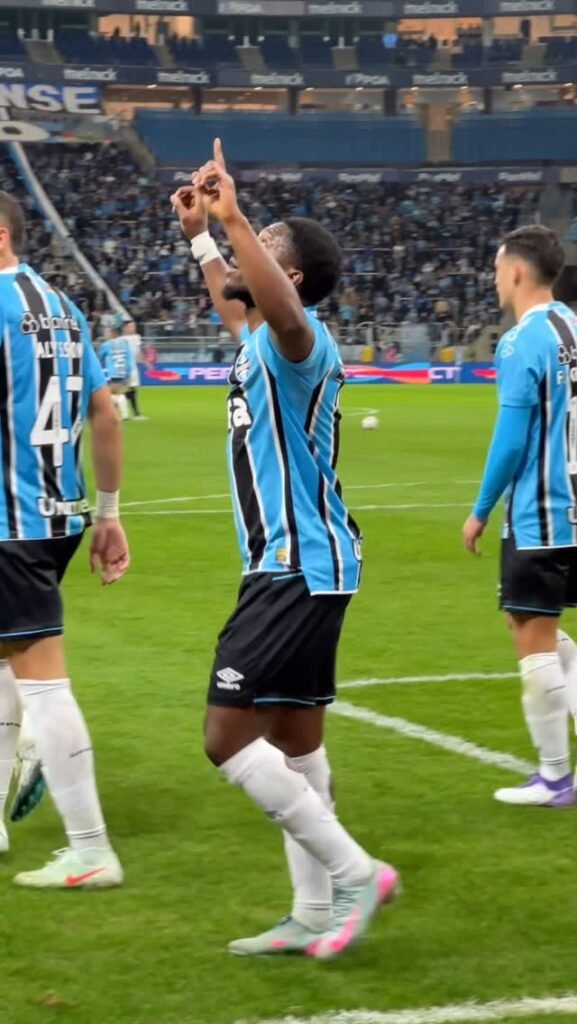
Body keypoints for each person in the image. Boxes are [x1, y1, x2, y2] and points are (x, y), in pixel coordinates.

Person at [172, 141, 399, 961]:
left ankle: (354, 873)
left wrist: (233, 216)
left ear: (290, 277)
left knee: (225, 736)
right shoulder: (260, 339)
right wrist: (203, 236)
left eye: (262, 247)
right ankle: (309, 914)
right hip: (308, 562)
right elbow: (237, 304)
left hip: (295, 565)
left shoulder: (300, 341)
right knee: (295, 742)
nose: (245, 254)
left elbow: (278, 312)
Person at [0, 190, 129, 886]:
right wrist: (107, 513)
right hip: (57, 516)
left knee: (42, 679)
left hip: (10, 522)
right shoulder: (63, 307)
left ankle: (90, 849)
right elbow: (105, 414)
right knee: (9, 663)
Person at [463, 225, 577, 808]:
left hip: (541, 512)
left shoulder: (519, 342)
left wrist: (480, 511)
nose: (494, 280)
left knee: (532, 636)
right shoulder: (575, 328)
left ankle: (555, 777)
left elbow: (509, 442)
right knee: (542, 630)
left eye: (496, 269)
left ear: (515, 272)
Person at [99, 315, 135, 422]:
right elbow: (129, 358)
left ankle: (123, 415)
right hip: (122, 372)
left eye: (108, 331)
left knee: (109, 394)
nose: (107, 333)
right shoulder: (124, 343)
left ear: (113, 332)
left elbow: (100, 357)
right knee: (116, 392)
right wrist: (128, 372)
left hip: (112, 372)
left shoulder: (107, 345)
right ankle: (120, 414)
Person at [124, 319, 148, 421]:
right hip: (126, 366)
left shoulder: (137, 337)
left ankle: (120, 400)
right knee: (132, 388)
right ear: (125, 328)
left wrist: (145, 361)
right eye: (130, 326)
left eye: (133, 326)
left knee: (134, 388)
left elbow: (139, 351)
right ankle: (136, 413)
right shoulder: (122, 339)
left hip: (134, 365)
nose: (132, 328)